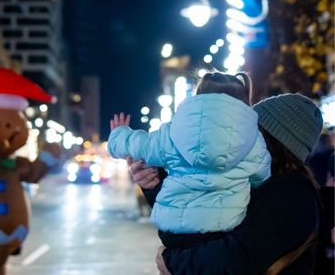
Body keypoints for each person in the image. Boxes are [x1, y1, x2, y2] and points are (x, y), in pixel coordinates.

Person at [129, 93, 324, 274]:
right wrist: (155, 186)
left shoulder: (293, 196)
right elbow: (197, 224)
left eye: (251, 128)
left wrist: (174, 263)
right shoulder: (253, 179)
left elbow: (237, 256)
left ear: (272, 139)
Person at [108, 72, 271, 249]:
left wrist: (119, 135)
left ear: (198, 95)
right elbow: (261, 177)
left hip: (175, 231)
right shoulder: (253, 140)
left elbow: (141, 146)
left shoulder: (174, 132)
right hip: (225, 230)